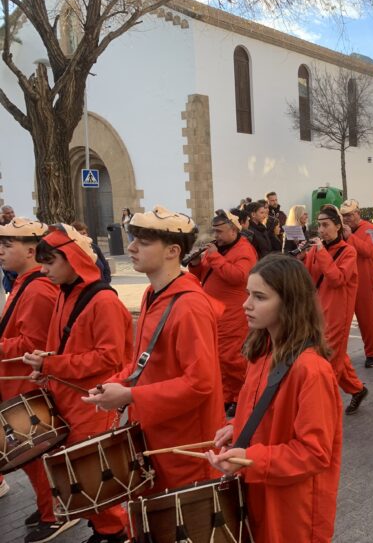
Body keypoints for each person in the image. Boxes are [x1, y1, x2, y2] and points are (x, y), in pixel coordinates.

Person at [83, 205, 226, 494]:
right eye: (133, 239)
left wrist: (130, 395)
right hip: (155, 434)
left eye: (144, 242)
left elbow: (200, 383)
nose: (131, 248)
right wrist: (116, 383)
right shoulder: (152, 293)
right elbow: (143, 362)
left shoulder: (190, 306)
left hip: (184, 446)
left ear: (173, 251)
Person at [205, 255, 342, 542]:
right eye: (247, 294)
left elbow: (315, 453)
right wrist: (239, 426)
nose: (246, 304)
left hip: (292, 508)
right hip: (260, 491)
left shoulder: (312, 370)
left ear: (289, 303)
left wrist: (249, 458)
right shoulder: (263, 351)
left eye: (259, 297)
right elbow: (264, 413)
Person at [23, 224, 132, 543]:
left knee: (93, 472)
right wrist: (46, 367)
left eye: (50, 262)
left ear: (72, 259)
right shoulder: (64, 293)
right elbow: (67, 346)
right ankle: (102, 527)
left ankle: (117, 531)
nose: (43, 270)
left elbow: (108, 358)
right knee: (78, 473)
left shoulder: (103, 301)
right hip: (69, 395)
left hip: (93, 400)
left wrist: (51, 364)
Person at [0, 219, 64, 538]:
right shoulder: (26, 282)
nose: (0, 250)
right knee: (30, 455)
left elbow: (33, 344)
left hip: (24, 384)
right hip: (15, 381)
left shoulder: (37, 288)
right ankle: (48, 506)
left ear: (29, 250)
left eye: (7, 245)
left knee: (34, 453)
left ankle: (54, 513)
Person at [188, 209, 257, 417]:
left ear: (234, 230)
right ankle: (227, 395)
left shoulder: (245, 250)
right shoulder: (219, 248)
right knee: (219, 357)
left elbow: (238, 276)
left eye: (219, 231)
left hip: (233, 313)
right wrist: (195, 263)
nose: (216, 236)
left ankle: (240, 397)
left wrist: (215, 257)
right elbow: (204, 275)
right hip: (215, 311)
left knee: (233, 357)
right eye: (214, 231)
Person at [299, 205, 368, 414]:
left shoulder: (349, 251)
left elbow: (337, 279)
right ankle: (357, 390)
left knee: (329, 360)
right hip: (317, 311)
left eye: (326, 225)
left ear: (338, 226)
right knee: (336, 356)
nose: (321, 230)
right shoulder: (317, 249)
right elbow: (308, 277)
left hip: (338, 313)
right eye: (319, 225)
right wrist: (300, 255)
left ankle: (325, 406)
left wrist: (319, 252)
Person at [340, 200, 373, 368]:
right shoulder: (341, 230)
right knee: (342, 320)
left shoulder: (372, 228)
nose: (346, 218)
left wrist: (350, 237)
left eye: (349, 215)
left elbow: (369, 251)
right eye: (344, 216)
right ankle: (339, 354)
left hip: (365, 279)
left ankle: (372, 353)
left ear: (358, 213)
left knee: (367, 319)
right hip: (346, 279)